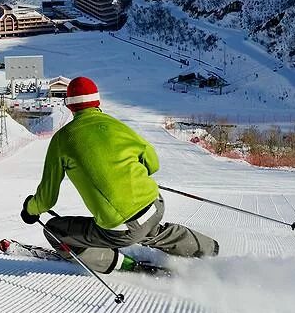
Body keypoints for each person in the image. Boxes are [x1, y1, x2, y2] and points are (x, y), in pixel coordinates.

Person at [21, 76, 219, 274]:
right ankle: (210, 250)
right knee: (149, 229)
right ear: (97, 100)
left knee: (55, 230)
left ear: (69, 105)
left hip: (123, 227)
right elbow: (153, 163)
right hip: (155, 204)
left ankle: (122, 264)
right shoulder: (115, 124)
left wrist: (30, 209)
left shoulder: (62, 140)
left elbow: (47, 199)